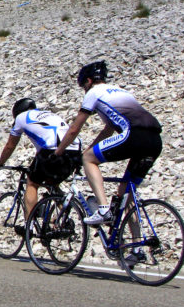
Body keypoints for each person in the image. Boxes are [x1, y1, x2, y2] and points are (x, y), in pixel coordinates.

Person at [55, 61, 162, 226]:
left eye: (83, 86)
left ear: (88, 81)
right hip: (155, 140)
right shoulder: (121, 91)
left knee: (89, 160)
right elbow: (107, 131)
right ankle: (137, 248)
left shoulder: (93, 92)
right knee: (126, 197)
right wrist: (88, 150)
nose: (84, 90)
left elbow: (74, 129)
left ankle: (103, 209)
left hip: (133, 135)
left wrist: (59, 151)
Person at [0, 97, 80, 225]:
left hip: (52, 150)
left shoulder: (21, 118)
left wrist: (0, 163)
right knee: (52, 182)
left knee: (32, 182)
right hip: (75, 150)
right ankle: (63, 215)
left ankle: (29, 225)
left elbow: (10, 145)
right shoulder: (49, 114)